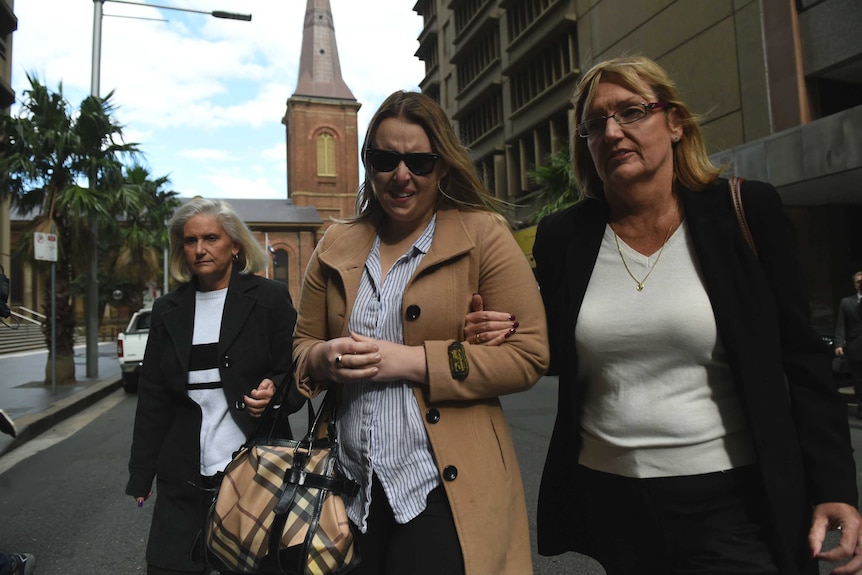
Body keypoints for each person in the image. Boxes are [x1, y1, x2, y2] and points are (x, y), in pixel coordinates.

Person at [524, 55, 860, 575]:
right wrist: (509, 329)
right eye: (595, 124)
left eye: (632, 112)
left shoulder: (746, 212)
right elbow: (556, 355)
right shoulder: (565, 236)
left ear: (675, 123)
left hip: (732, 502)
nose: (612, 132)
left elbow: (802, 362)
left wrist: (836, 486)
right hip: (614, 503)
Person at [291, 90, 549, 575]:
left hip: (442, 486)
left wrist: (412, 360)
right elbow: (302, 347)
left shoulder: (483, 235)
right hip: (346, 487)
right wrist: (323, 359)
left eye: (420, 161)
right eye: (386, 159)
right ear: (368, 163)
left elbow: (529, 353)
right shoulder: (334, 243)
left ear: (443, 166)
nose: (401, 175)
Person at [126, 198, 304, 575]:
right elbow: (153, 397)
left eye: (210, 238)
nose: (200, 249)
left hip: (255, 473)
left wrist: (273, 396)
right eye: (190, 241)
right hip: (183, 472)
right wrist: (141, 474)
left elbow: (293, 373)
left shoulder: (269, 299)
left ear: (235, 245)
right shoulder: (168, 310)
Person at [836, 271, 862, 417]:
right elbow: (841, 325)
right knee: (858, 381)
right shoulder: (846, 302)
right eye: (859, 282)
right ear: (854, 285)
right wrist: (839, 344)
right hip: (855, 348)